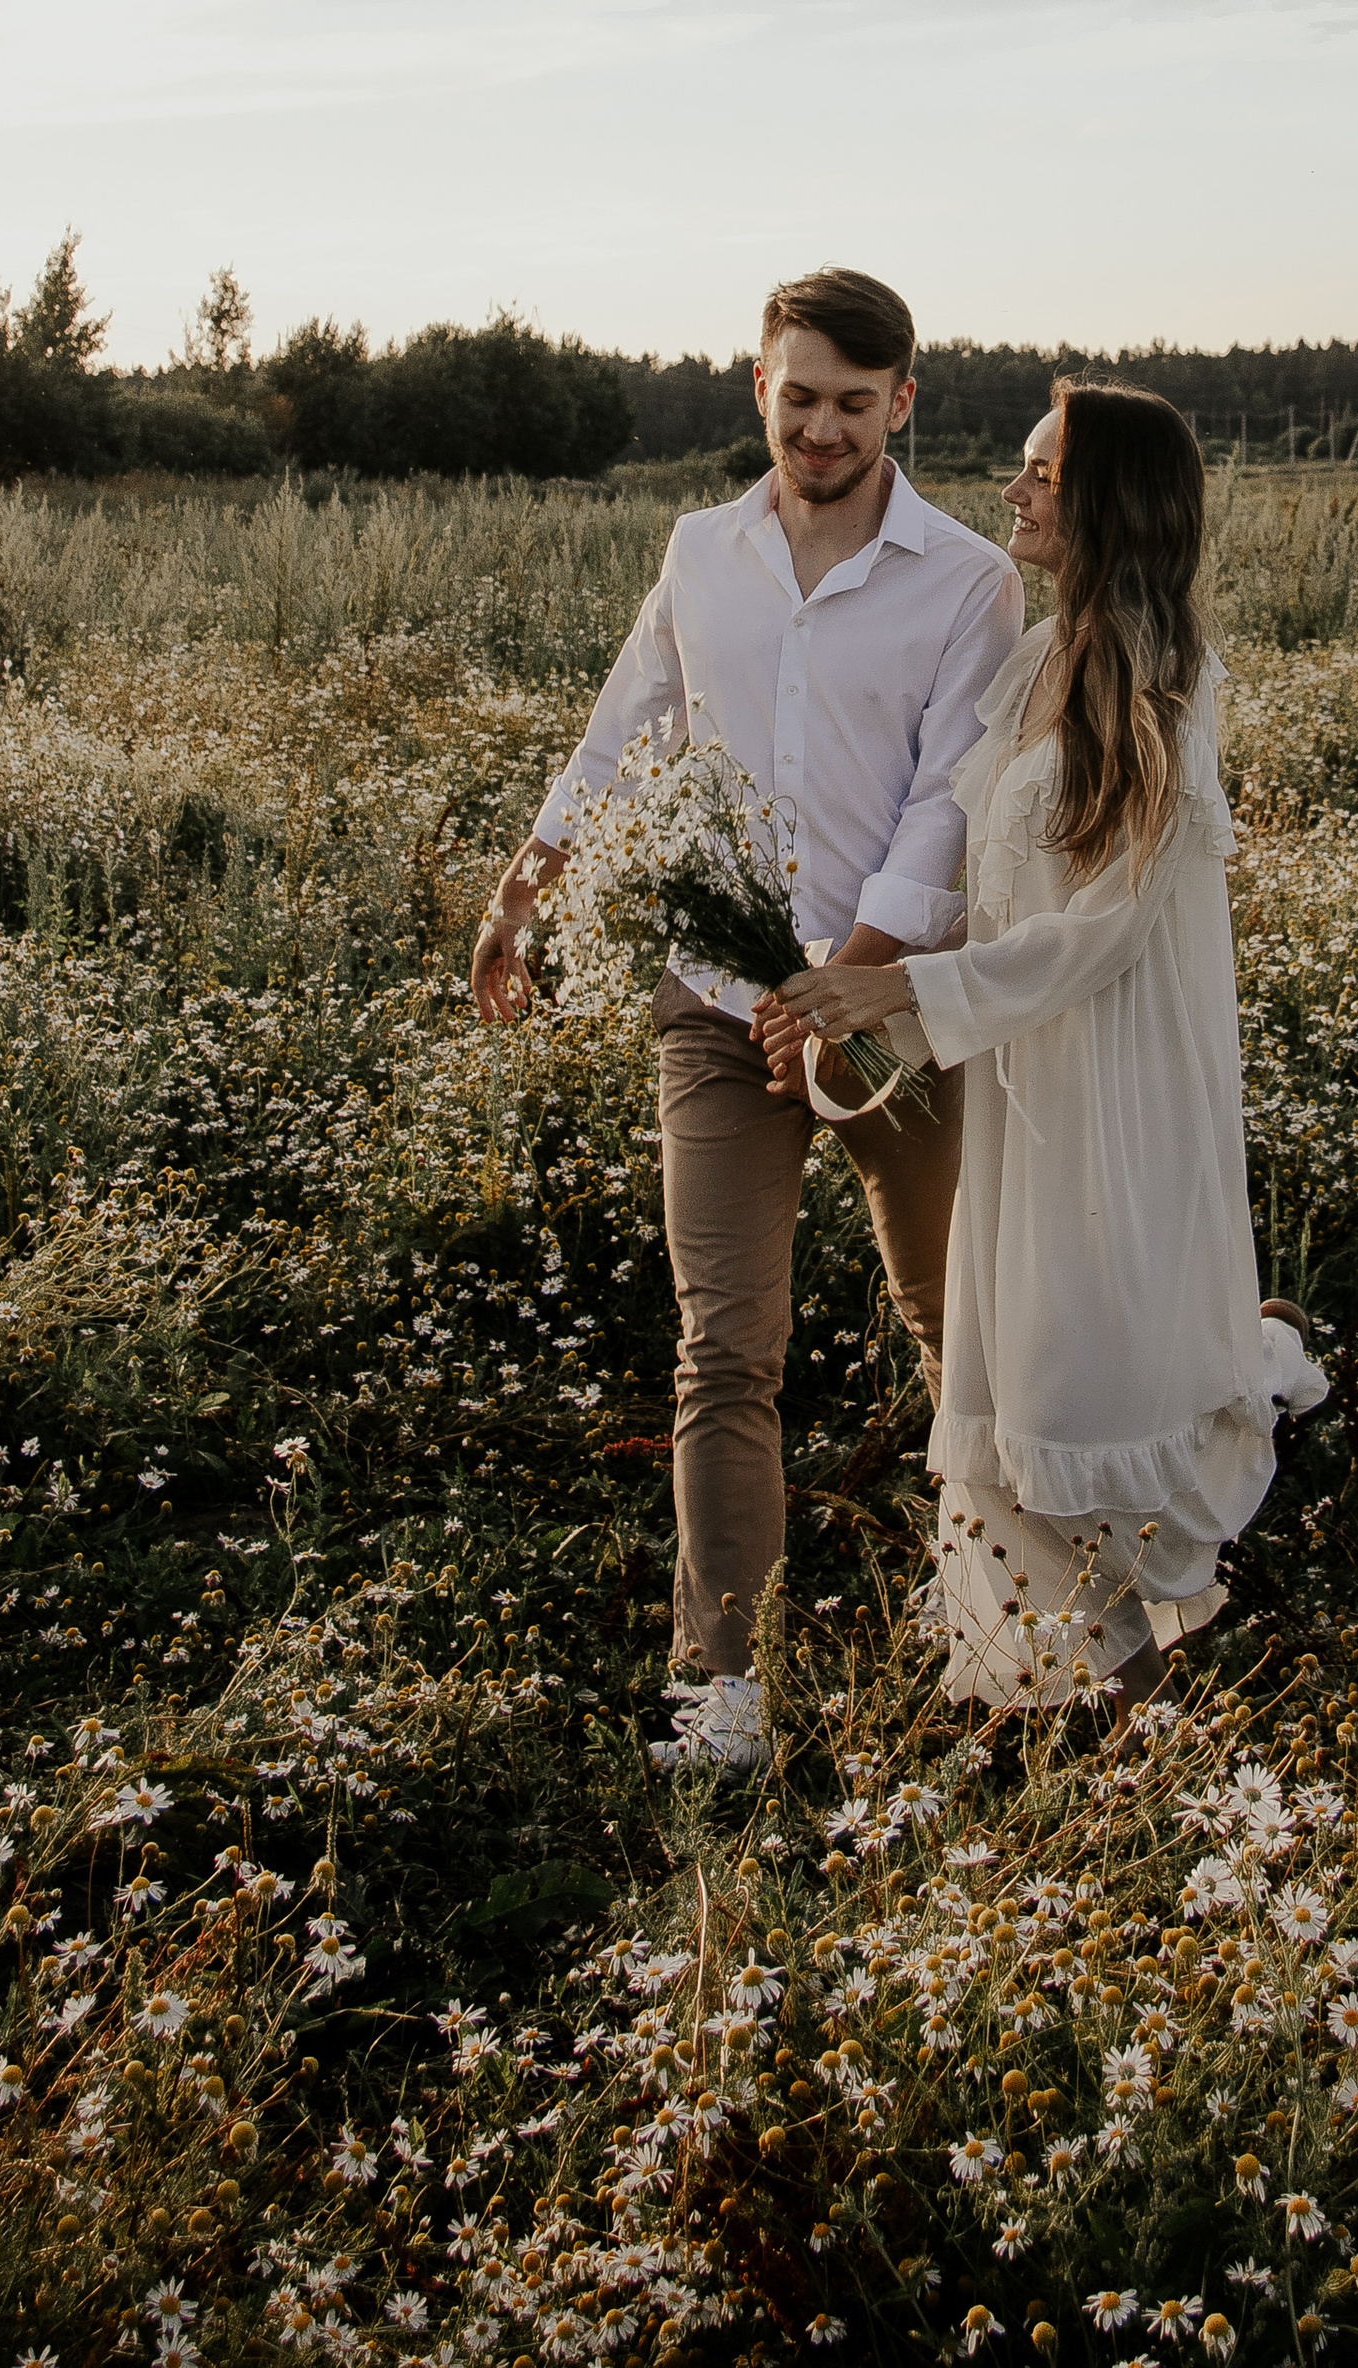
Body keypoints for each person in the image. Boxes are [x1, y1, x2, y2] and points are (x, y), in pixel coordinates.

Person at [472, 268, 1020, 1769]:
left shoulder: (971, 582)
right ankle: (726, 1689)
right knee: (726, 1348)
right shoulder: (700, 554)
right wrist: (525, 890)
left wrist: (845, 982)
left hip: (891, 1012)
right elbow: (624, 728)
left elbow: (950, 805)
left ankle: (1009, 1607)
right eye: (801, 397)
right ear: (757, 390)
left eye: (856, 401)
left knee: (951, 1324)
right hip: (715, 1008)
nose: (824, 427)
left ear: (904, 402)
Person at [765, 382, 1323, 1713]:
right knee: (1015, 1397)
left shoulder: (1161, 697)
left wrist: (903, 999)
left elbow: (1097, 937)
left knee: (1089, 1396)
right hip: (1018, 1083)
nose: (1012, 490)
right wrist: (852, 977)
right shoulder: (1031, 662)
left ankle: (1253, 1396)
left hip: (1113, 1085)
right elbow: (971, 877)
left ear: (1109, 503)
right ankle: (1100, 1702)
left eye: (1041, 472)